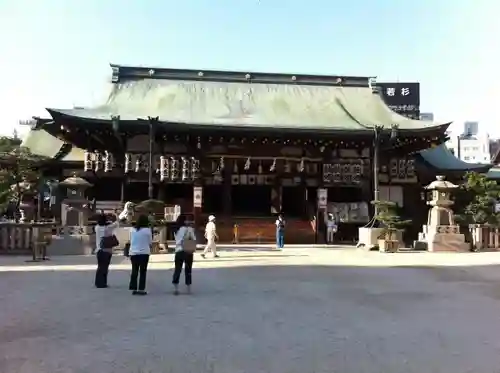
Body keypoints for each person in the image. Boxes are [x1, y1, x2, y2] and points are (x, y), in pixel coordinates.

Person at [172, 214, 197, 295]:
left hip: (178, 251)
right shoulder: (189, 229)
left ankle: (176, 288)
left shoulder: (176, 230)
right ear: (184, 221)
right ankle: (188, 289)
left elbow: (176, 240)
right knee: (188, 270)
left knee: (177, 269)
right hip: (188, 251)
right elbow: (194, 239)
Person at [128, 214, 152, 295]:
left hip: (133, 253)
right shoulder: (147, 230)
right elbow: (150, 242)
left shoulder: (132, 230)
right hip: (144, 253)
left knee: (134, 270)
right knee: (143, 271)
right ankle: (141, 289)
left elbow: (130, 241)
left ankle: (133, 287)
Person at [94, 213, 119, 288]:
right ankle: (103, 283)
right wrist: (114, 214)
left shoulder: (97, 227)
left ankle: (98, 283)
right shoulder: (108, 228)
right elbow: (117, 223)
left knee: (100, 267)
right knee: (105, 268)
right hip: (107, 251)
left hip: (99, 250)